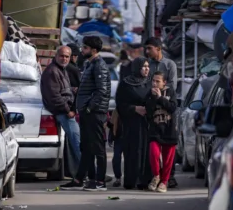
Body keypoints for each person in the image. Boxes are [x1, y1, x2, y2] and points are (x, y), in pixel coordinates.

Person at [60, 36, 111, 191]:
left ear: (93, 50)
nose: (82, 51)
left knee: (97, 147)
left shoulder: (99, 66)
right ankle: (80, 179)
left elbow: (101, 91)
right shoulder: (90, 64)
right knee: (86, 147)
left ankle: (100, 181)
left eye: (85, 48)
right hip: (87, 113)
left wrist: (89, 108)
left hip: (94, 113)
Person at [144, 37, 179, 188]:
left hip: (168, 113)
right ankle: (155, 177)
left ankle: (167, 178)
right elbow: (147, 86)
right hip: (153, 112)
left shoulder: (169, 64)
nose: (147, 52)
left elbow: (172, 87)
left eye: (149, 48)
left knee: (169, 150)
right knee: (153, 148)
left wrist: (160, 95)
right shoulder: (149, 65)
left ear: (158, 48)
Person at [41, 46, 81, 171]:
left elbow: (64, 90)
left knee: (75, 143)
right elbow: (54, 96)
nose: (64, 58)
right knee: (78, 143)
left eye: (67, 56)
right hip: (63, 113)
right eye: (62, 56)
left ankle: (81, 172)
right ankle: (90, 173)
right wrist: (67, 110)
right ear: (56, 56)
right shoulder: (52, 71)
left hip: (66, 111)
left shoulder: (61, 70)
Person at [116, 57, 153, 190]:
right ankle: (132, 180)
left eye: (148, 66)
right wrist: (135, 109)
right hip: (132, 123)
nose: (146, 69)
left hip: (147, 123)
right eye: (143, 66)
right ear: (136, 68)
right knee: (133, 151)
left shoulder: (150, 83)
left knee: (147, 151)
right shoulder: (126, 84)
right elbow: (120, 104)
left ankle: (145, 180)